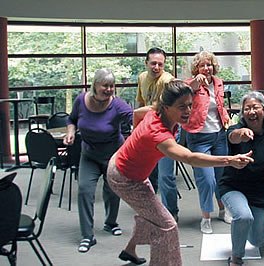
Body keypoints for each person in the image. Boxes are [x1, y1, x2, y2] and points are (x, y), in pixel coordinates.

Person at [107, 80, 254, 265]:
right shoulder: (157, 134)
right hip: (124, 178)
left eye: (190, 105)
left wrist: (136, 142)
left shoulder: (156, 111)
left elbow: (137, 114)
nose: (187, 111)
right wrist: (229, 160)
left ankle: (130, 250)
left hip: (128, 169)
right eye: (181, 107)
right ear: (167, 107)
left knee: (151, 214)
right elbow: (190, 158)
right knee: (167, 226)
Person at [63, 68, 133, 252]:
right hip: (89, 155)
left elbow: (133, 117)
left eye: (112, 86)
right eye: (105, 85)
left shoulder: (117, 104)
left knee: (112, 190)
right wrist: (70, 132)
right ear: (95, 85)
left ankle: (110, 223)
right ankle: (87, 236)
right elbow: (72, 119)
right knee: (84, 190)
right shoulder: (81, 100)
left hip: (113, 154)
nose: (109, 89)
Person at [218, 91, 264, 266]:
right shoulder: (236, 130)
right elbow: (232, 137)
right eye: (247, 109)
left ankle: (263, 232)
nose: (251, 112)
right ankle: (236, 258)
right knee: (243, 216)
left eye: (255, 107)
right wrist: (241, 133)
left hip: (258, 192)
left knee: (257, 240)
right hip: (232, 186)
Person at [184, 51, 232, 233]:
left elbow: (219, 105)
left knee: (221, 177)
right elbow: (189, 88)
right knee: (207, 180)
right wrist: (197, 81)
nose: (206, 68)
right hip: (198, 137)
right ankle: (205, 217)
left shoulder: (218, 82)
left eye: (209, 64)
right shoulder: (192, 84)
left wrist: (226, 118)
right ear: (196, 68)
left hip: (219, 135)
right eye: (202, 65)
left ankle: (222, 210)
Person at [136, 47, 180, 221]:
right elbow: (141, 102)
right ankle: (151, 210)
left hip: (164, 132)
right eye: (153, 63)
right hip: (147, 131)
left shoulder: (167, 80)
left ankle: (171, 212)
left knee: (165, 175)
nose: (156, 67)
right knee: (146, 174)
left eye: (160, 64)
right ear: (146, 63)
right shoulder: (141, 78)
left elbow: (163, 107)